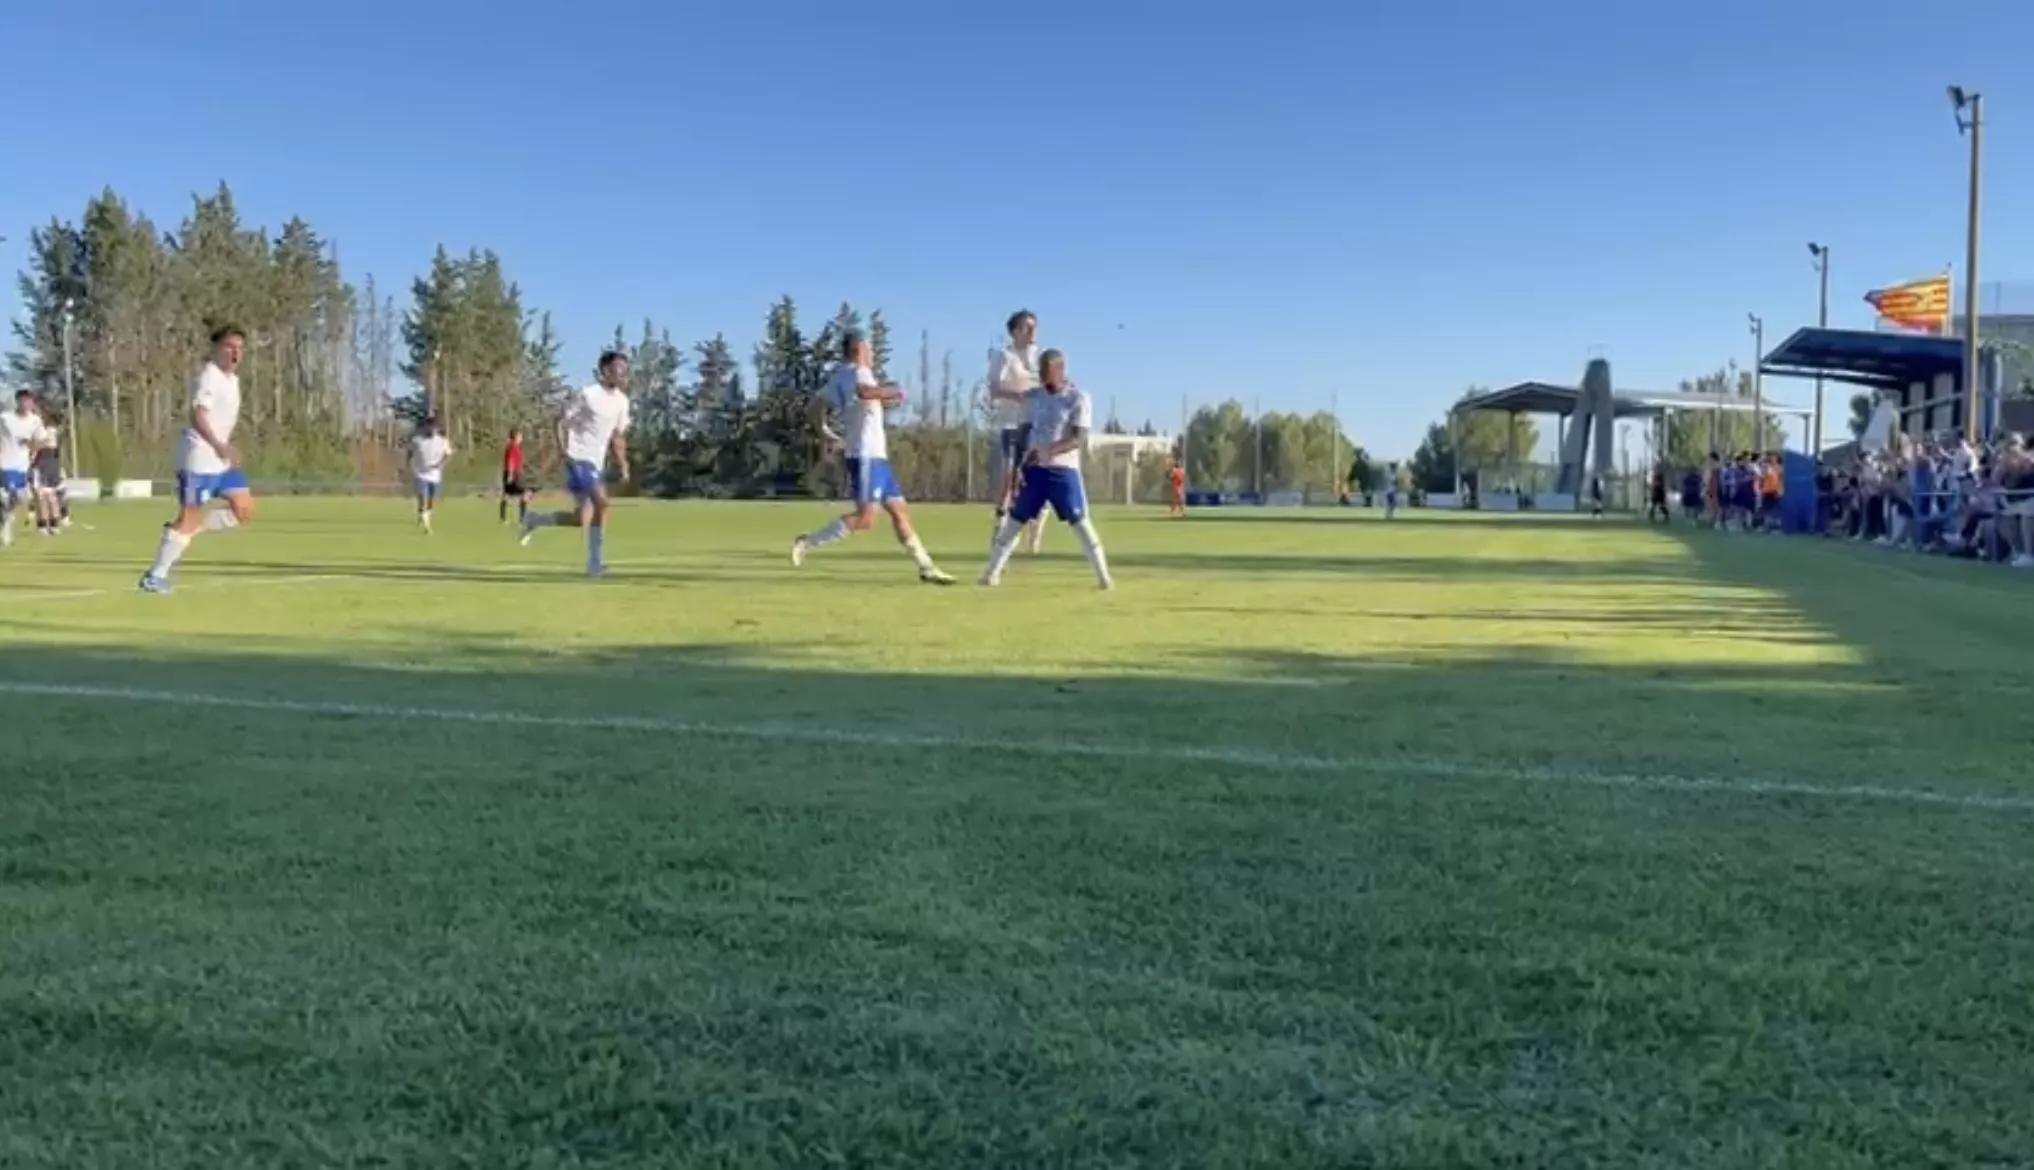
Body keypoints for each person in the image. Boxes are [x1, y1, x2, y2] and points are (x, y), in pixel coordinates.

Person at [791, 333, 955, 584]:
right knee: (866, 518)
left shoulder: (839, 375)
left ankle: (926, 567)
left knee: (900, 512)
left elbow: (814, 407)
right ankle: (807, 542)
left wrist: (826, 434)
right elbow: (864, 392)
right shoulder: (859, 372)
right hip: (866, 454)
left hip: (875, 454)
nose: (873, 354)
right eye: (869, 349)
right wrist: (894, 392)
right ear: (858, 350)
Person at [980, 348, 1113, 589]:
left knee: (1080, 522)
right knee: (1015, 520)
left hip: (1063, 471)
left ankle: (1104, 578)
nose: (1042, 376)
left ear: (1060, 370)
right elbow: (1021, 413)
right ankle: (992, 573)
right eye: (1039, 371)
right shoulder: (1036, 396)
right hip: (1035, 471)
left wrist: (1049, 451)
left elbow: (1077, 438)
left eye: (1046, 371)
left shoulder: (1077, 398)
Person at [139, 326, 255, 594]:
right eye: (229, 346)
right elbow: (198, 415)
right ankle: (155, 576)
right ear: (216, 349)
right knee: (188, 518)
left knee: (245, 510)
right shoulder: (209, 376)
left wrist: (226, 448)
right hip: (199, 459)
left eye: (240, 347)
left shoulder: (232, 380)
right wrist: (218, 444)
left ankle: (189, 527)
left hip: (221, 460)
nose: (235, 352)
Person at [518, 350, 631, 577]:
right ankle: (595, 565)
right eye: (618, 368)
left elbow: (617, 436)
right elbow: (559, 421)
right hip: (578, 458)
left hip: (596, 463)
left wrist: (623, 464)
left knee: (582, 518)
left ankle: (535, 519)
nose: (623, 373)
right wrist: (563, 451)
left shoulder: (622, 402)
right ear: (605, 370)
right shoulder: (588, 395)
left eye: (625, 369)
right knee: (603, 503)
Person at [988, 310, 1047, 553]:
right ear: (1014, 332)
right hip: (1011, 424)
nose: (1032, 332)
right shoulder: (1004, 356)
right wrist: (1019, 397)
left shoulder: (1041, 357)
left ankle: (1035, 538)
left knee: (1040, 478)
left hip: (1038, 426)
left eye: (1035, 326)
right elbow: (994, 390)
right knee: (1010, 478)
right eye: (1026, 327)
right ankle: (999, 531)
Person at [0, 390, 51, 548]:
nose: (26, 404)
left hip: (22, 465)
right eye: (23, 401)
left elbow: (44, 440)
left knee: (19, 499)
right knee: (9, 495)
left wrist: (32, 445)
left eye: (29, 401)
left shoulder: (35, 421)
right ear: (17, 402)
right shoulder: (5, 418)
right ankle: (6, 532)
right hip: (4, 463)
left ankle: (5, 523)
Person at [409, 416, 453, 533]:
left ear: (437, 429)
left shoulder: (443, 441)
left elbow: (448, 454)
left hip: (435, 474)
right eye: (430, 427)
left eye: (434, 427)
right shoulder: (417, 440)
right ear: (426, 427)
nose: (432, 429)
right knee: (423, 498)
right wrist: (409, 466)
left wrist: (441, 464)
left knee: (431, 501)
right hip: (421, 473)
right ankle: (427, 527)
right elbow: (409, 452)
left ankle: (423, 514)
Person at [30, 422, 67, 535]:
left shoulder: (49, 432)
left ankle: (49, 524)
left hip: (46, 468)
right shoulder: (46, 433)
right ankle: (49, 524)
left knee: (46, 496)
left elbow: (40, 447)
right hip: (43, 467)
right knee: (46, 496)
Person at [500, 426, 528, 525]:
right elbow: (510, 461)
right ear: (516, 436)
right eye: (520, 436)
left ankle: (503, 518)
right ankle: (522, 519)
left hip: (510, 473)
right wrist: (511, 475)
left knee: (506, 495)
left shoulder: (511, 446)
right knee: (524, 494)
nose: (521, 438)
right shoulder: (513, 447)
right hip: (515, 474)